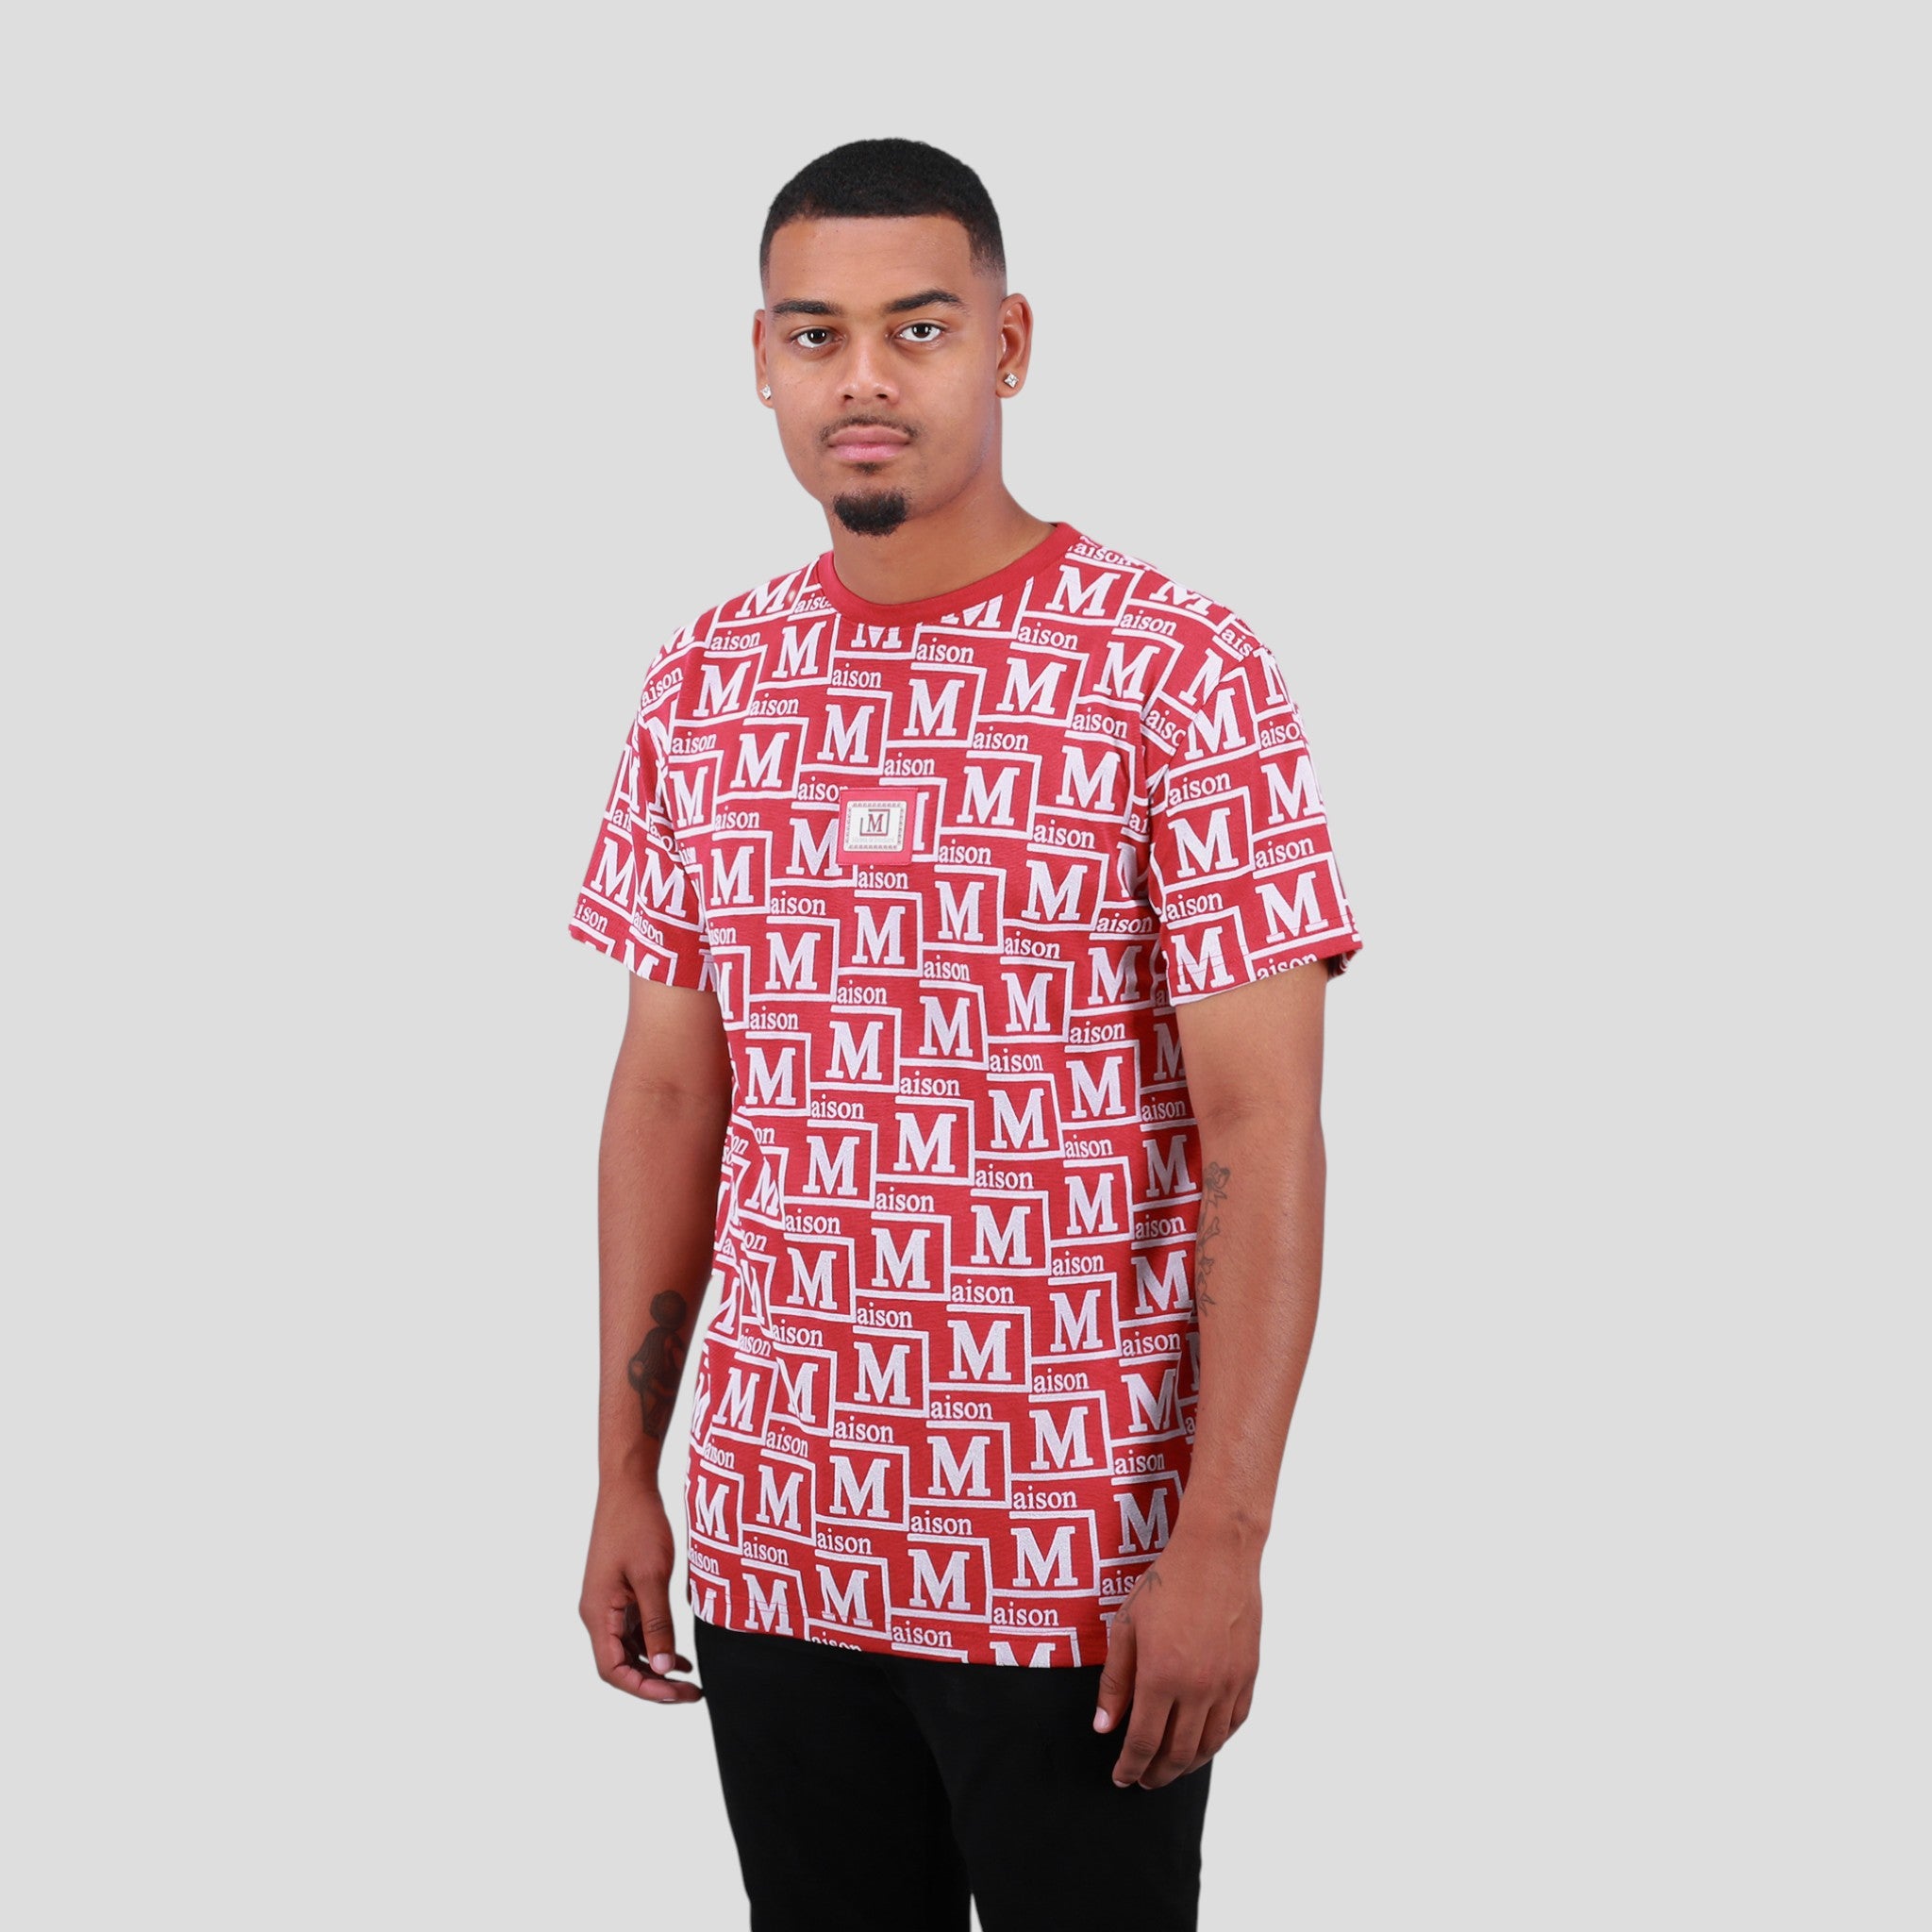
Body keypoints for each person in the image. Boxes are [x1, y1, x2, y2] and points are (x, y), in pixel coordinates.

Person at [568, 137, 1364, 1932]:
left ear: (1007, 346)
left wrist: (1224, 1543)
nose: (863, 377)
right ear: (760, 359)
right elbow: (671, 1092)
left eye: (917, 328)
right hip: (777, 1548)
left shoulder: (1180, 669)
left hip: (1076, 1573)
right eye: (816, 333)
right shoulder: (704, 683)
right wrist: (626, 1472)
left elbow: (1262, 1128)